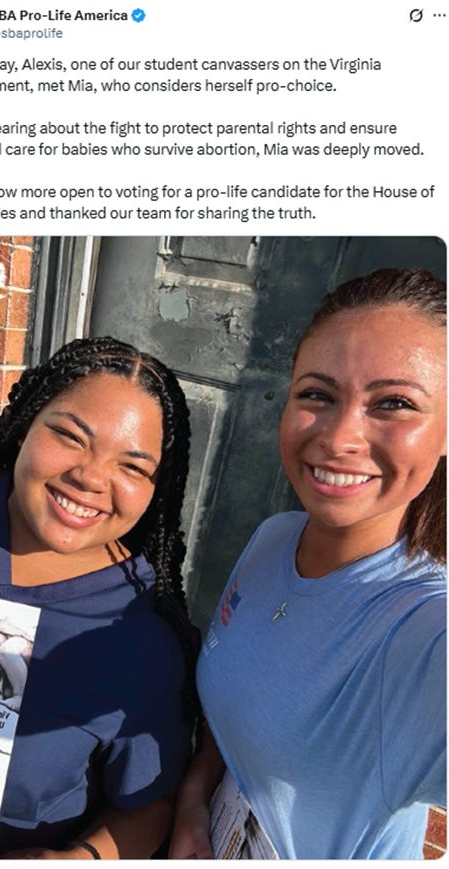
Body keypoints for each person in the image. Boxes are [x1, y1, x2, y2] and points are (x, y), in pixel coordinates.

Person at [168, 267, 446, 860]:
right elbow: (237, 704)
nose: (340, 437)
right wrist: (195, 796)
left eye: (394, 404)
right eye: (318, 394)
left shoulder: (423, 630)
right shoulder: (274, 538)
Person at [0, 335, 200, 859]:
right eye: (69, 435)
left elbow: (148, 804)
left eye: (133, 467)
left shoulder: (140, 644)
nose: (90, 477)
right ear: (26, 424)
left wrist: (79, 859)